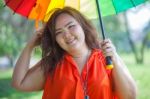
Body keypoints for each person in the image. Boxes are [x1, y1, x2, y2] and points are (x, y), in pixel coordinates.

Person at [12, 7, 137, 99]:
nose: (67, 35)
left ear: (83, 26)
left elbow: (130, 96)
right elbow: (19, 83)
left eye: (71, 26)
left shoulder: (107, 57)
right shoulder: (52, 62)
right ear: (55, 39)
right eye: (58, 32)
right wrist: (30, 46)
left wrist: (114, 58)